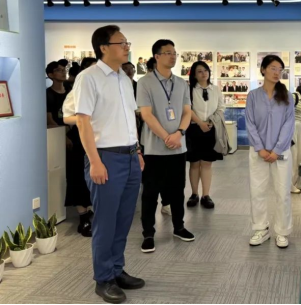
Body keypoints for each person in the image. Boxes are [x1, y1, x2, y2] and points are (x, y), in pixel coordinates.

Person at [73, 25, 145, 303]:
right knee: (105, 221)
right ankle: (103, 278)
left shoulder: (124, 78)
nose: (127, 47)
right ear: (104, 47)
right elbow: (83, 121)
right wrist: (94, 161)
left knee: (124, 219)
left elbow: (129, 119)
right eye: (121, 42)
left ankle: (116, 269)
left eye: (127, 43)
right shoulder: (88, 78)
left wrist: (137, 150)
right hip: (105, 157)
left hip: (130, 156)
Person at [137, 40, 194, 255]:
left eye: (174, 53)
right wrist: (166, 137)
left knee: (177, 190)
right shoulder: (145, 82)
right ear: (157, 56)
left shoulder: (181, 83)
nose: (173, 56)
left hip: (178, 147)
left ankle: (179, 227)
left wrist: (179, 133)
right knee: (150, 192)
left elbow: (187, 112)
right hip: (154, 148)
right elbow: (146, 114)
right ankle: (148, 233)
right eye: (168, 53)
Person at [246, 55, 295, 249]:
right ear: (263, 69)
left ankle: (282, 231)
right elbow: (250, 123)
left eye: (280, 70)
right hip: (258, 153)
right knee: (257, 191)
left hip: (281, 153)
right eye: (273, 68)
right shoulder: (253, 96)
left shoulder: (287, 96)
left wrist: (276, 150)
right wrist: (260, 148)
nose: (277, 73)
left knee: (283, 193)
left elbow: (289, 125)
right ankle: (261, 229)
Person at [63, 57, 98, 238]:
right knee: (78, 178)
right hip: (80, 139)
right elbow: (67, 118)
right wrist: (85, 119)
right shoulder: (77, 91)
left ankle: (92, 210)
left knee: (95, 179)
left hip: (100, 140)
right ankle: (83, 217)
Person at [187, 61, 227, 210]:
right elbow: (187, 109)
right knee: (194, 163)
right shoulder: (189, 89)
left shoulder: (215, 89)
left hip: (211, 128)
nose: (204, 74)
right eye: (199, 71)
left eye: (205, 70)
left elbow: (221, 107)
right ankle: (194, 194)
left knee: (207, 163)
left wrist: (210, 121)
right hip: (193, 128)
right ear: (194, 75)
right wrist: (200, 123)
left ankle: (206, 195)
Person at [46, 61, 69, 128]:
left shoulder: (70, 91)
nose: (63, 72)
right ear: (51, 75)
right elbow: (49, 120)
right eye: (59, 70)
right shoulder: (48, 94)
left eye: (64, 70)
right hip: (57, 130)